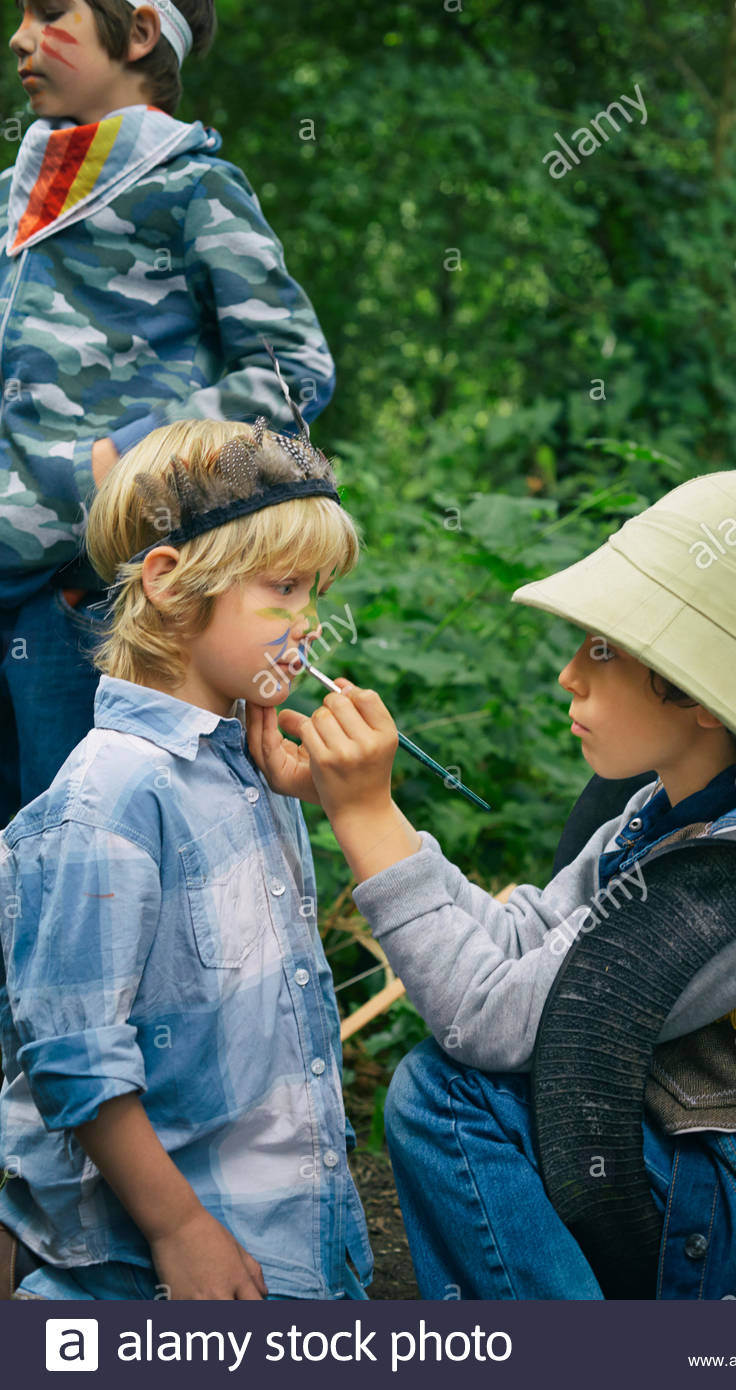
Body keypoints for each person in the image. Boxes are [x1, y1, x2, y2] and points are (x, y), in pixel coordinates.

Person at [250, 468, 736, 1300]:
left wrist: (361, 821)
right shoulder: (668, 814)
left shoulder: (729, 882)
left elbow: (487, 1018)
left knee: (448, 1094)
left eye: (604, 649)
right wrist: (363, 803)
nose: (571, 674)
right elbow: (521, 939)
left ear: (704, 694)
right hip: (703, 1164)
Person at [0, 413, 371, 1300]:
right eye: (285, 588)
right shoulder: (111, 801)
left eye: (316, 591)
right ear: (169, 582)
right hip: (158, 1274)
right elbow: (75, 1055)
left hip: (295, 1248)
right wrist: (176, 1226)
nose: (310, 622)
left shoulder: (251, 766)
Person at [0, 0, 336, 823]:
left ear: (141, 34)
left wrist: (107, 474)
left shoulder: (192, 186)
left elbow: (291, 379)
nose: (20, 37)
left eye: (51, 13)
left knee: (79, 859)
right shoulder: (15, 197)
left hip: (89, 603)